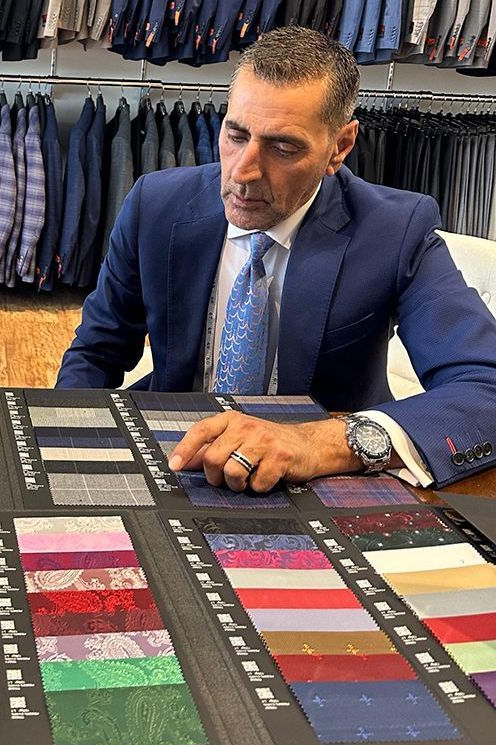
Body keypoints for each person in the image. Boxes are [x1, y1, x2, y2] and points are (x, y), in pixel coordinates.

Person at [57, 26, 496, 494]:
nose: (243, 171)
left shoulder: (394, 231)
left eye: (283, 147)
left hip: (321, 482)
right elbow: (97, 351)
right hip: (179, 457)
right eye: (236, 134)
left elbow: (485, 390)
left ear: (340, 147)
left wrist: (318, 443)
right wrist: (60, 446)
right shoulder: (156, 205)